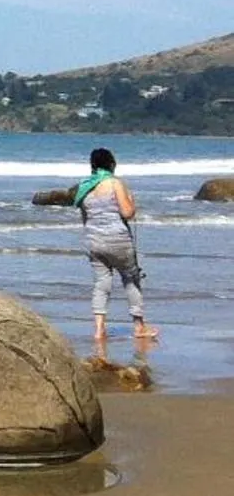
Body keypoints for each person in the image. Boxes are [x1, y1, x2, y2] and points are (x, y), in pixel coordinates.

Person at [72, 146, 159, 348]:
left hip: (94, 241)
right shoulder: (114, 183)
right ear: (111, 164)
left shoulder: (84, 187)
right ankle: (139, 326)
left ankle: (99, 329)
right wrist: (132, 202)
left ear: (92, 165)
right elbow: (128, 213)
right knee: (131, 279)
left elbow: (86, 219)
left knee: (102, 283)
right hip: (118, 239)